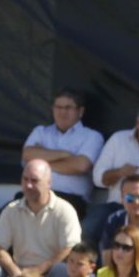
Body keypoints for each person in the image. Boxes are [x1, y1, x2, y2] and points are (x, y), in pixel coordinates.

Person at [0, 159, 82, 277]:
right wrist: (15, 272)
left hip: (49, 275)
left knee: (62, 271)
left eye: (34, 180)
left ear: (49, 183)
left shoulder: (64, 210)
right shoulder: (11, 210)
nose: (28, 185)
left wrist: (38, 270)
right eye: (25, 179)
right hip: (18, 275)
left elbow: (70, 248)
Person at [22, 89, 105, 218]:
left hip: (70, 200)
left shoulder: (92, 137)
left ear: (80, 111)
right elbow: (27, 154)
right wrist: (64, 154)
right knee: (8, 213)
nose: (62, 112)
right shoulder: (40, 132)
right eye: (58, 107)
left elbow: (81, 166)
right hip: (34, 194)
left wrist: (41, 161)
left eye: (68, 107)